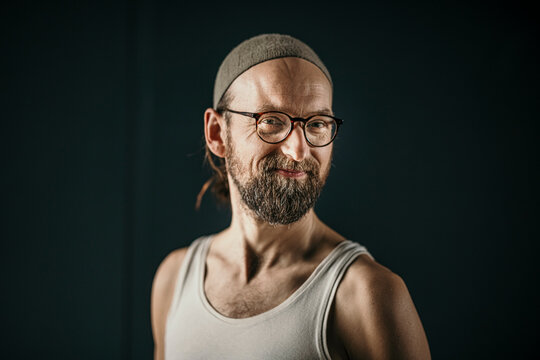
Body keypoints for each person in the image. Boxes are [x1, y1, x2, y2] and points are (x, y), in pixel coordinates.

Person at [151, 33, 431, 360]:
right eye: (270, 121)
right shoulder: (174, 279)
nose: (299, 150)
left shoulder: (367, 295)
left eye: (316, 124)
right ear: (217, 133)